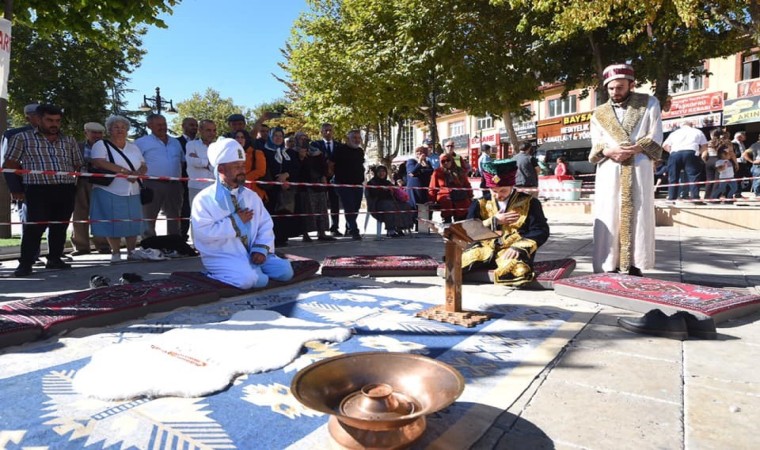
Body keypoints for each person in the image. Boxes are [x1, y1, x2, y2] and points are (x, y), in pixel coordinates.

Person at [589, 63, 664, 276]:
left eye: (620, 87)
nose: (615, 92)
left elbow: (656, 133)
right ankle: (608, 265)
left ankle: (634, 263)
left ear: (631, 84)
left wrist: (638, 147)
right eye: (611, 88)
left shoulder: (649, 103)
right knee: (609, 211)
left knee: (639, 213)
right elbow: (596, 144)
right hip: (609, 170)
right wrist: (609, 151)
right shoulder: (599, 112)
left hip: (639, 165)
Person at [191, 138, 293, 289]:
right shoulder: (204, 199)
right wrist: (236, 221)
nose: (242, 170)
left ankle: (252, 267)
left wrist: (261, 249)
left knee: (285, 272)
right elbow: (203, 234)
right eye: (236, 166)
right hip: (222, 256)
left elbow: (265, 224)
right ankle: (212, 275)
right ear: (221, 170)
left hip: (251, 251)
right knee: (251, 280)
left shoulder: (250, 196)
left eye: (242, 165)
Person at [2, 104, 84, 277]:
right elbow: (10, 165)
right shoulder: (22, 138)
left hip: (65, 188)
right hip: (36, 189)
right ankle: (26, 263)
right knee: (34, 228)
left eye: (57, 121)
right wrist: (16, 188)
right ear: (38, 119)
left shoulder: (69, 140)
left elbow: (78, 164)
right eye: (49, 120)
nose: (54, 124)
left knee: (60, 226)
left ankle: (55, 258)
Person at [462, 159, 550, 287]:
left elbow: (540, 229)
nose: (498, 196)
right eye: (494, 191)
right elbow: (468, 229)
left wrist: (519, 247)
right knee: (456, 264)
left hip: (514, 248)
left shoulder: (530, 202)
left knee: (519, 272)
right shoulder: (480, 203)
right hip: (486, 248)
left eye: (503, 191)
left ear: (511, 186)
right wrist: (494, 220)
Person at [89, 115, 148, 263]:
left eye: (123, 127)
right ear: (109, 130)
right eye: (116, 127)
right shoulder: (101, 145)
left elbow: (143, 164)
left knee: (132, 221)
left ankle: (132, 251)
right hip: (110, 189)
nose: (120, 130)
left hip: (133, 189)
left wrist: (137, 173)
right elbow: (99, 162)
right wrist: (124, 171)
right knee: (112, 221)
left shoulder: (133, 146)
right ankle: (115, 252)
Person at [135, 114, 184, 237]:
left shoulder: (175, 142)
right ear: (149, 126)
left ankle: (173, 245)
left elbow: (182, 161)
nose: (163, 127)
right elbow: (135, 163)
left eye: (164, 124)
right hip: (151, 184)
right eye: (159, 125)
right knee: (149, 217)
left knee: (174, 216)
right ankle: (149, 245)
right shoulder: (141, 142)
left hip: (174, 185)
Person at [70, 122, 111, 256]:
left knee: (100, 214)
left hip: (101, 183)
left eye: (99, 133)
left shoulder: (108, 147)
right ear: (86, 133)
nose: (97, 135)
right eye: (93, 132)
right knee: (79, 214)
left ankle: (103, 245)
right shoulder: (77, 146)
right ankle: (81, 247)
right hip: (81, 181)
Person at [263, 126, 301, 246]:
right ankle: (271, 239)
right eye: (275, 136)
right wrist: (277, 179)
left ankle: (282, 237)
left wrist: (286, 176)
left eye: (280, 136)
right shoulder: (265, 151)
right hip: (271, 189)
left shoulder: (288, 152)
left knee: (283, 213)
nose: (278, 138)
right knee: (270, 214)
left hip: (286, 188)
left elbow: (296, 167)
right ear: (270, 137)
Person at [295, 131, 334, 241]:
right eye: (301, 139)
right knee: (306, 210)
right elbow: (295, 168)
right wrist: (301, 157)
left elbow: (323, 165)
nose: (303, 141)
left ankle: (321, 232)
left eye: (305, 138)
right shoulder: (293, 152)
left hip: (318, 183)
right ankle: (305, 234)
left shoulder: (316, 152)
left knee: (321, 208)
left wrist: (324, 176)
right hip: (304, 185)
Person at [329, 129, 366, 240]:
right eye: (354, 137)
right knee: (349, 207)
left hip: (358, 184)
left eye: (358, 138)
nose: (357, 140)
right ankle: (354, 230)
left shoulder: (360, 151)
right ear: (348, 139)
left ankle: (349, 227)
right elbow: (331, 163)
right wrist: (332, 175)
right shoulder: (340, 149)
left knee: (356, 208)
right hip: (343, 183)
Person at [662, 120, 707, 203]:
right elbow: (704, 146)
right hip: (691, 152)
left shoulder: (674, 133)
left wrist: (670, 151)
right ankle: (695, 198)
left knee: (673, 177)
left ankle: (671, 197)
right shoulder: (697, 131)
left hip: (675, 153)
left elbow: (664, 145)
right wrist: (698, 153)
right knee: (693, 176)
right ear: (691, 124)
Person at [310, 123, 342, 236]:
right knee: (321, 203)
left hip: (335, 178)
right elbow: (314, 161)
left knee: (335, 203)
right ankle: (320, 228)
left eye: (330, 130)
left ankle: (335, 226)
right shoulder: (315, 144)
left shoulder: (339, 146)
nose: (328, 132)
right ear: (321, 132)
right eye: (325, 130)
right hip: (321, 178)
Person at [366, 165, 415, 237]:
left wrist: (393, 189)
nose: (381, 173)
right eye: (379, 171)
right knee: (389, 206)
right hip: (377, 204)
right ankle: (390, 230)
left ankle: (400, 227)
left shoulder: (387, 182)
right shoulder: (372, 183)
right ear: (376, 173)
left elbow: (395, 192)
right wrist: (384, 190)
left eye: (383, 171)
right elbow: (373, 194)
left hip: (391, 201)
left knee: (405, 205)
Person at [428, 153, 473, 223]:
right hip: (445, 194)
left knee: (464, 204)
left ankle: (460, 225)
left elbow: (466, 184)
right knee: (447, 203)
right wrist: (431, 200)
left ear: (451, 160)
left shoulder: (460, 171)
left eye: (448, 160)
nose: (446, 162)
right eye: (443, 161)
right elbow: (432, 187)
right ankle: (447, 224)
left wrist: (470, 195)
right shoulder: (437, 172)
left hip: (459, 194)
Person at [185, 119, 217, 207]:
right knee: (196, 216)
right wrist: (210, 164)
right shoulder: (191, 144)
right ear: (200, 131)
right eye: (208, 130)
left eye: (214, 130)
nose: (212, 133)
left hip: (214, 187)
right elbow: (192, 161)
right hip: (196, 187)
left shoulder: (218, 147)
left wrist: (201, 161)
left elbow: (219, 168)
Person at [177, 117, 199, 241]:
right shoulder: (175, 142)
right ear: (183, 126)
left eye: (196, 125)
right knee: (183, 211)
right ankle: (181, 239)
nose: (194, 128)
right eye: (191, 125)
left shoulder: (201, 143)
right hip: (181, 182)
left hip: (197, 182)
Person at [234, 129, 268, 201]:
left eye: (242, 137)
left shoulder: (257, 153)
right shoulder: (231, 154)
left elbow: (261, 171)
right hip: (235, 192)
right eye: (237, 137)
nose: (239, 139)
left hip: (254, 192)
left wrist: (243, 179)